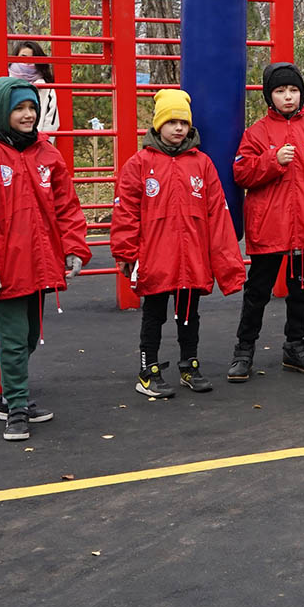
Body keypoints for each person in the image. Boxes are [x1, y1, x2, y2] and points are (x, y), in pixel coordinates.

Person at [0, 77, 90, 441]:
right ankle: (16, 406)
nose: (29, 115)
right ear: (0, 110)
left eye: (32, 107)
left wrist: (75, 247)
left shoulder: (47, 154)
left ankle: (9, 397)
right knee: (13, 340)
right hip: (4, 268)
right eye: (19, 109)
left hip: (40, 263)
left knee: (28, 337)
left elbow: (67, 206)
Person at [111, 89, 246, 398]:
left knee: (188, 315)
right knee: (154, 314)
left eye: (183, 122)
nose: (178, 128)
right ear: (158, 124)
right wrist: (126, 252)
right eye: (171, 122)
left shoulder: (202, 164)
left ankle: (189, 365)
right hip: (155, 257)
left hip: (191, 258)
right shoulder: (140, 164)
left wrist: (227, 265)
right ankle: (148, 370)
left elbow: (218, 214)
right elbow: (125, 211)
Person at [228, 62, 304, 381]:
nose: (288, 97)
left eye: (293, 90)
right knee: (257, 292)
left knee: (302, 291)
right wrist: (271, 161)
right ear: (269, 95)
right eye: (280, 91)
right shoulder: (256, 133)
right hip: (269, 228)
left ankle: (295, 346)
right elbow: (241, 172)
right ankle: (244, 350)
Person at [8, 40, 59, 135]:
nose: (27, 63)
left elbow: (51, 121)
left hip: (35, 140)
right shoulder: (5, 82)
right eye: (23, 57)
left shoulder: (46, 87)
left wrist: (43, 144)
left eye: (32, 59)